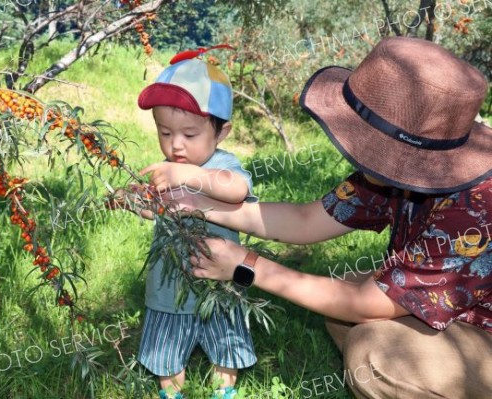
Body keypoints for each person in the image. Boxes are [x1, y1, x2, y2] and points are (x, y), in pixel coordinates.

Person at [170, 37, 492, 398]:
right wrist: (195, 204)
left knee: (373, 352)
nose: (357, 151)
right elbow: (307, 220)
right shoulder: (401, 171)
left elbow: (364, 305)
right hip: (463, 308)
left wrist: (245, 265)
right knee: (339, 303)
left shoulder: (474, 208)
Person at [136, 53, 258, 399]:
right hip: (169, 282)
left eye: (190, 133)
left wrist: (188, 176)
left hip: (219, 283)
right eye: (165, 132)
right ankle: (171, 391)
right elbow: (154, 211)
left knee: (225, 339)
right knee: (166, 345)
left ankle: (225, 389)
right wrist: (135, 200)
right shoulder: (167, 168)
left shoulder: (222, 164)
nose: (176, 144)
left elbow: (238, 189)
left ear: (222, 132)